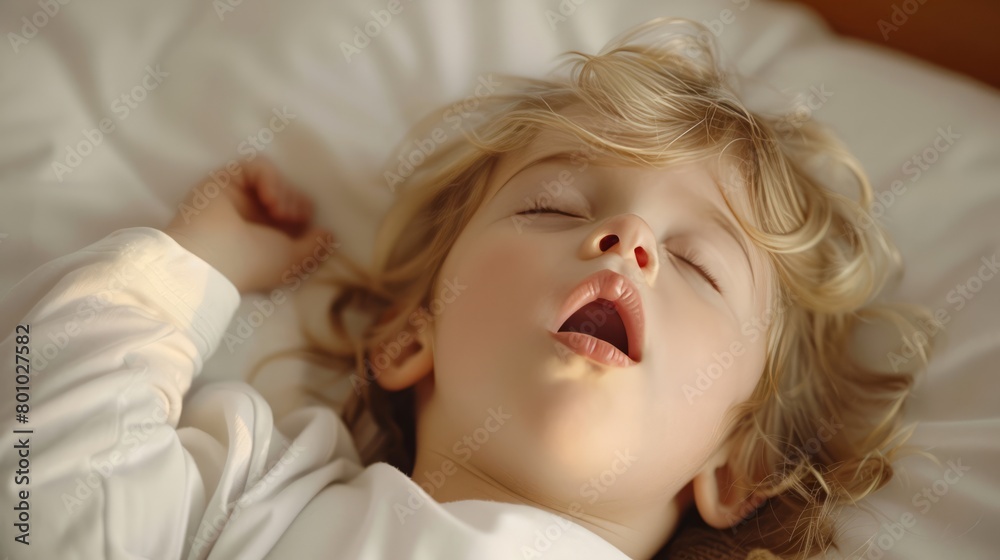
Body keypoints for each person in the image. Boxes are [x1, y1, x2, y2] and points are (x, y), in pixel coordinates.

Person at [0, 18, 934, 560]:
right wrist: (185, 268)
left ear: (738, 467)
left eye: (698, 265)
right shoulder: (258, 490)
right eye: (553, 207)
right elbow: (38, 502)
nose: (629, 241)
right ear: (412, 339)